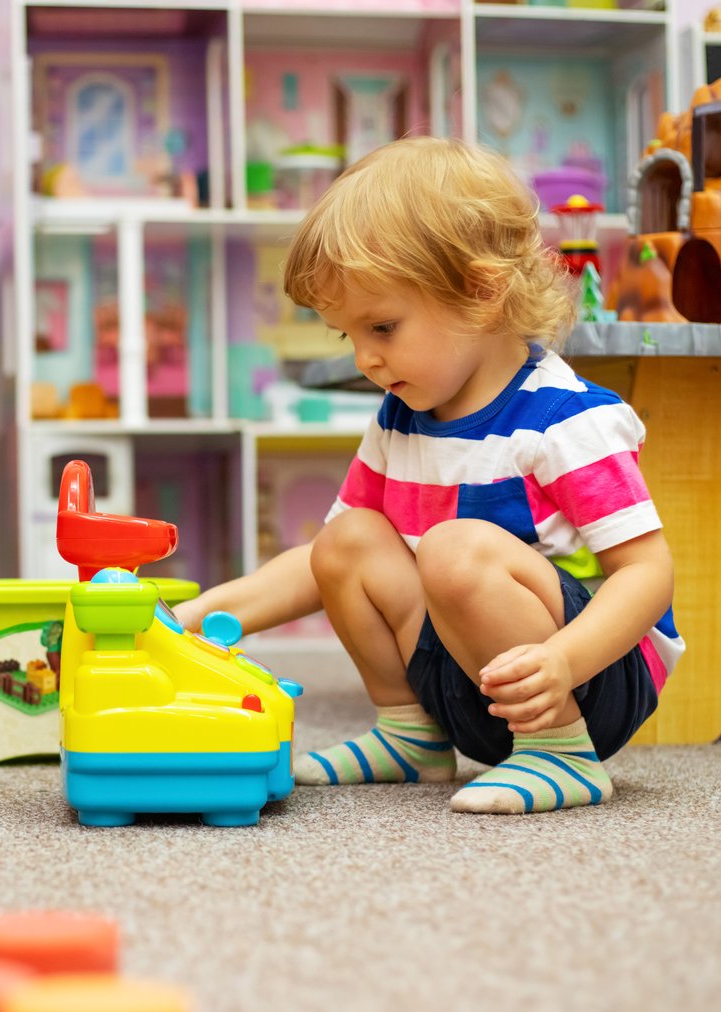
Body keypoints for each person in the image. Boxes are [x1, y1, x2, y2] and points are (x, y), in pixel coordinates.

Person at [174, 138, 682, 814]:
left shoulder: (565, 420)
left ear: (480, 289)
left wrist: (563, 664)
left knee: (450, 545)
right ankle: (410, 736)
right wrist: (192, 620)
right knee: (349, 537)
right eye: (347, 336)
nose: (365, 358)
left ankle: (560, 757)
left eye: (382, 326)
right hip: (464, 689)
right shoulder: (401, 418)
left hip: (586, 682)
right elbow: (321, 566)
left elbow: (647, 575)